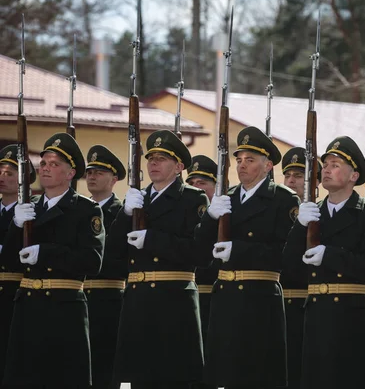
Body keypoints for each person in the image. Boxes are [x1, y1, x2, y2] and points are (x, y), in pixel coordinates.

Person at [195, 126, 300, 389]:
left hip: (260, 300)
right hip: (225, 299)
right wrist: (209, 218)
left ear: (267, 166)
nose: (241, 166)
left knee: (258, 374)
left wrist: (239, 250)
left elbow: (287, 256)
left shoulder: (282, 199)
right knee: (224, 376)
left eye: (250, 160)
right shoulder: (227, 199)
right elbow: (197, 251)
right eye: (239, 160)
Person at [109, 130, 209, 389]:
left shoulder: (192, 198)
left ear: (178, 166)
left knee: (173, 377)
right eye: (151, 157)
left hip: (173, 302)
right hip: (138, 302)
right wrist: (124, 213)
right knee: (142, 379)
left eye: (162, 158)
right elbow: (112, 251)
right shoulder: (137, 199)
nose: (153, 162)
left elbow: (198, 252)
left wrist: (151, 240)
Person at [2, 132, 104, 388]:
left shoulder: (85, 209)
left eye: (54, 164)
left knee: (61, 379)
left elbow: (92, 261)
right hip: (27, 306)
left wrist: (44, 253)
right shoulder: (28, 208)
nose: (46, 169)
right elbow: (10, 261)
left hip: (63, 308)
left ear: (70, 174)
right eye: (44, 164)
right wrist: (15, 226)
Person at [283, 136, 365, 389]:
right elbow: (290, 267)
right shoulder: (313, 214)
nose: (326, 170)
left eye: (335, 164)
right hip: (317, 313)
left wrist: (330, 255)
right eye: (325, 164)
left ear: (353, 176)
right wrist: (299, 227)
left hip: (353, 315)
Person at [84, 144, 127, 389]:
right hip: (78, 298)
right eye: (89, 172)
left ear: (114, 179)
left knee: (104, 368)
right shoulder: (78, 209)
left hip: (109, 299)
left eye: (99, 172)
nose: (91, 176)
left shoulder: (121, 212)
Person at [279, 147, 320, 389]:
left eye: (299, 176)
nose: (292, 181)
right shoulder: (274, 207)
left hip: (308, 305)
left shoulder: (320, 213)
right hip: (278, 305)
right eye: (288, 176)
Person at [0, 144, 35, 387]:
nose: (2, 177)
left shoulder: (32, 211)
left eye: (10, 173)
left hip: (16, 294)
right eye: (0, 171)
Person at [186, 154, 218, 389]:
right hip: (189, 297)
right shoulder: (185, 213)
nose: (197, 188)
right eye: (192, 183)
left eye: (203, 183)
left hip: (217, 299)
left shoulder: (224, 215)